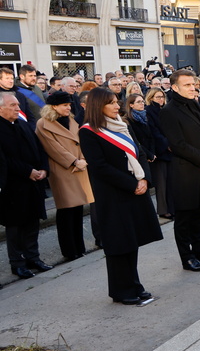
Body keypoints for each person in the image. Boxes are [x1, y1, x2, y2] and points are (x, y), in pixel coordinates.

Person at [79, 88, 162, 304]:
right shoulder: (88, 131)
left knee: (131, 241)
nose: (117, 106)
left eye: (117, 102)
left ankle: (134, 284)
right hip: (113, 194)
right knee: (118, 243)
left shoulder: (122, 125)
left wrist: (144, 180)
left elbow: (139, 152)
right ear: (99, 106)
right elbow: (99, 166)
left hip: (135, 190)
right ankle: (121, 290)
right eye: (112, 103)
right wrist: (131, 184)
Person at [159, 69, 200, 272]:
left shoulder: (195, 103)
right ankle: (187, 258)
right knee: (184, 220)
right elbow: (178, 145)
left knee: (199, 215)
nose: (192, 87)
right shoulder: (168, 111)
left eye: (193, 84)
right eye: (187, 85)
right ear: (175, 87)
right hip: (184, 173)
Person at [36, 91, 94, 261]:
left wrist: (83, 158)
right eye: (65, 105)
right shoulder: (43, 124)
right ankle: (69, 250)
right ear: (54, 106)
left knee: (78, 209)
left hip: (79, 166)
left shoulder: (70, 120)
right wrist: (75, 161)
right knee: (66, 210)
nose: (69, 107)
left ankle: (79, 247)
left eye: (69, 105)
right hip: (62, 169)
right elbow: (52, 148)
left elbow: (80, 140)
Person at [0, 92, 52, 279]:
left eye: (17, 105)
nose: (17, 108)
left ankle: (33, 257)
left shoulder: (23, 125)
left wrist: (43, 169)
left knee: (32, 222)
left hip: (34, 183)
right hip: (13, 186)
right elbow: (4, 160)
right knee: (15, 227)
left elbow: (40, 149)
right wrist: (27, 171)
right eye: (13, 105)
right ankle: (18, 262)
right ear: (1, 108)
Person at [144, 87, 173, 218]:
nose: (161, 99)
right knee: (161, 183)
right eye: (158, 97)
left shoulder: (165, 110)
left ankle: (171, 207)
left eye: (162, 97)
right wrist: (166, 144)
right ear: (151, 98)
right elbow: (154, 131)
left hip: (169, 149)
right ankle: (163, 210)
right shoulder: (149, 111)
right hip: (159, 150)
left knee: (170, 182)